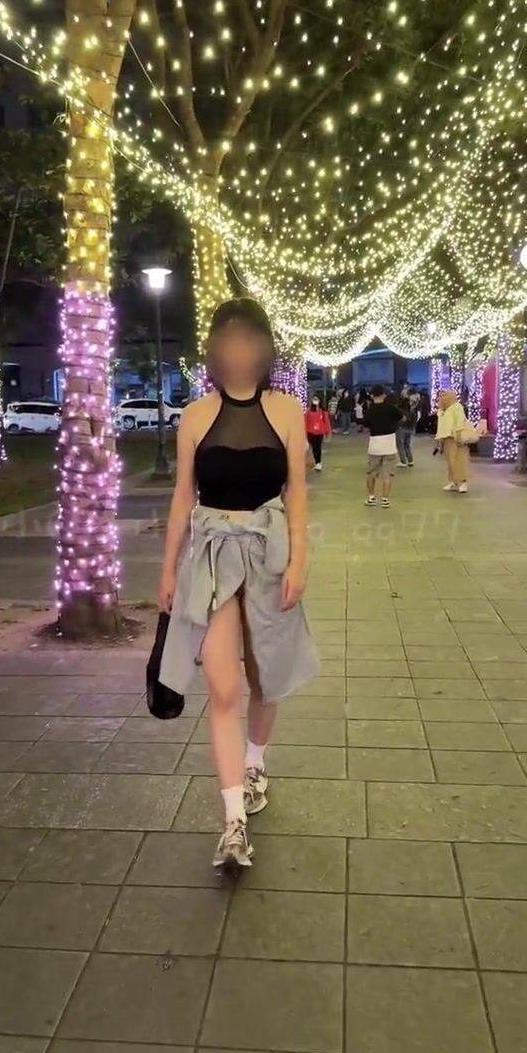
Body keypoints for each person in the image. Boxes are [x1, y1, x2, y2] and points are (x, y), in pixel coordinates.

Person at [158, 298, 319, 873]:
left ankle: (255, 764)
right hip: (211, 559)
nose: (238, 351)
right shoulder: (196, 415)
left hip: (269, 556)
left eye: (247, 339)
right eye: (227, 340)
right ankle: (232, 822)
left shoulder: (286, 410)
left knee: (264, 677)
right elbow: (184, 496)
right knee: (223, 687)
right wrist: (167, 570)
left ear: (264, 347)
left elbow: (297, 492)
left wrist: (299, 561)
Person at [363, 384, 404, 508]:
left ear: (372, 396)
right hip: (389, 444)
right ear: (384, 395)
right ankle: (385, 499)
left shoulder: (369, 410)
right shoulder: (391, 408)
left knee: (371, 473)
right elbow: (402, 418)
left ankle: (371, 497)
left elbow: (365, 424)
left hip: (374, 444)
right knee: (387, 474)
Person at [436, 389, 469, 493]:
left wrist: (458, 435)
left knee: (459, 461)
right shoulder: (441, 409)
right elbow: (441, 424)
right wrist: (440, 439)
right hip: (445, 437)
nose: (442, 398)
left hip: (455, 437)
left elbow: (460, 421)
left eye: (444, 395)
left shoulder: (456, 407)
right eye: (440, 396)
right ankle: (453, 481)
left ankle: (463, 482)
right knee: (450, 462)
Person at [305, 395, 331, 471]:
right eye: (314, 399)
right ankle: (316, 461)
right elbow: (305, 422)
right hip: (311, 432)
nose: (315, 401)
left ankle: (318, 462)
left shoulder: (323, 411)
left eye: (316, 399)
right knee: (314, 447)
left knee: (318, 447)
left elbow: (327, 422)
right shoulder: (308, 411)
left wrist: (328, 432)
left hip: (320, 432)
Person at [396, 396, 419, 467]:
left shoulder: (399, 410)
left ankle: (403, 461)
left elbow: (397, 420)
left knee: (400, 445)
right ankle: (410, 460)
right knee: (407, 445)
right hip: (410, 429)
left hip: (401, 428)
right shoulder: (411, 411)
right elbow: (415, 420)